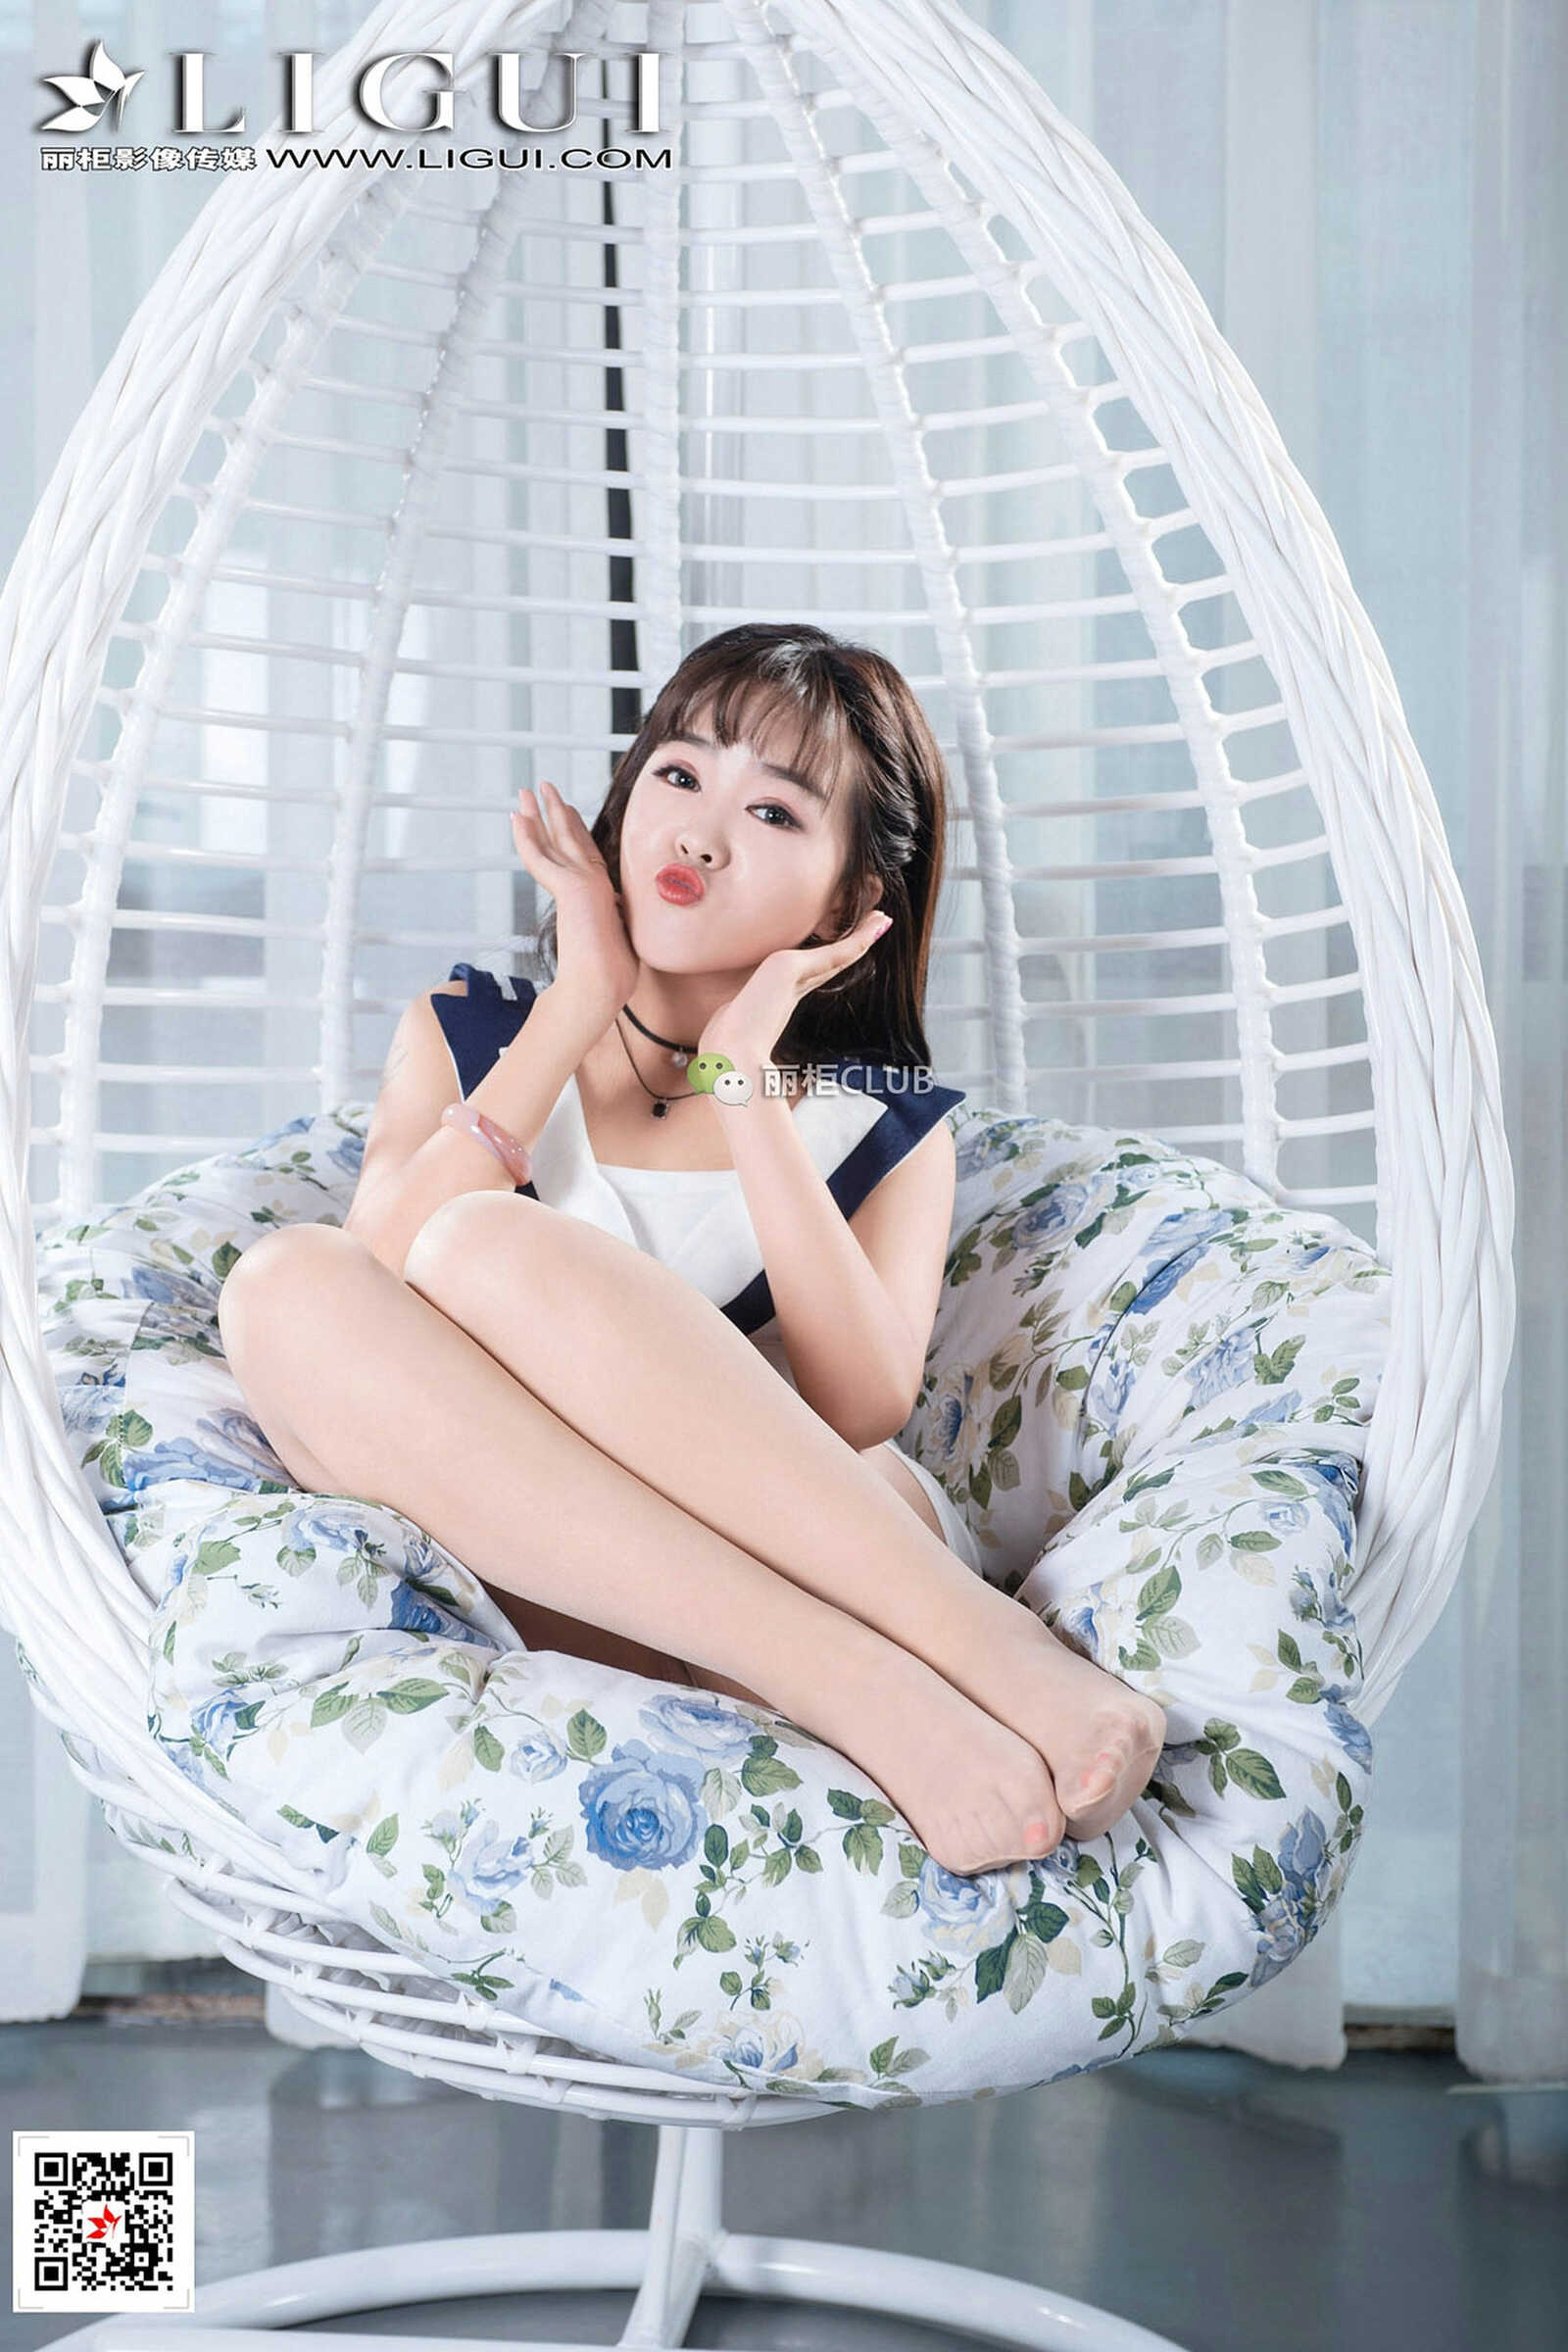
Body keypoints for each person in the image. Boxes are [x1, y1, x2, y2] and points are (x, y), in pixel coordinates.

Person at [216, 623, 1165, 1878]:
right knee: (287, 1283)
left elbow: (859, 1404)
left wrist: (745, 1084)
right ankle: (851, 1690)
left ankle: (979, 1659)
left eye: (773, 812)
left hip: (846, 1563)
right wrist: (576, 1001)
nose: (702, 835)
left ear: (849, 901)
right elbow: (372, 1281)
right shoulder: (470, 1034)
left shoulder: (881, 1125)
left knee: (488, 1246)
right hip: (560, 1582)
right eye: (679, 774)